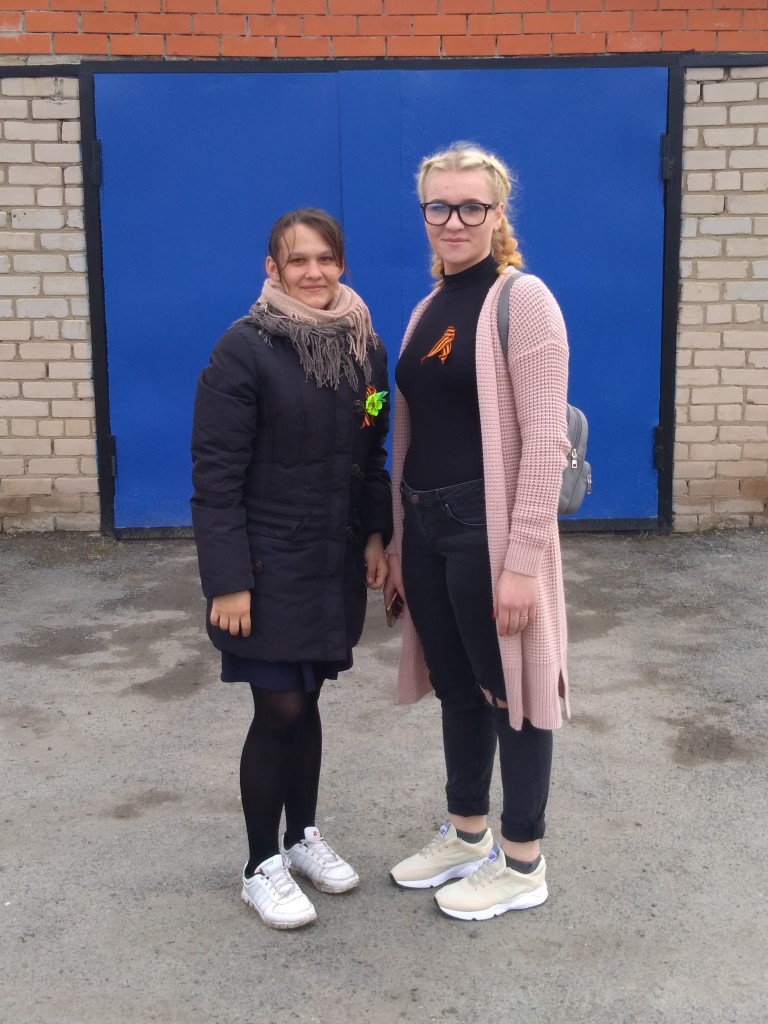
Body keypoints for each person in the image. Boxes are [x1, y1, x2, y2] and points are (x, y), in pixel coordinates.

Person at [383, 143, 570, 921]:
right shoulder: (426, 310)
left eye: (471, 207)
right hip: (426, 525)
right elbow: (404, 424)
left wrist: (523, 561)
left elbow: (545, 442)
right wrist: (400, 543)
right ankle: (467, 835)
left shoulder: (523, 301)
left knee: (512, 693)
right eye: (439, 206)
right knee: (458, 687)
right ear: (424, 213)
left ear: (497, 214)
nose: (453, 221)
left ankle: (523, 863)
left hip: (485, 529)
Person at [191, 208, 391, 930]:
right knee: (277, 708)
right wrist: (228, 581)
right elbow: (216, 475)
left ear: (341, 264)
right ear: (272, 269)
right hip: (266, 564)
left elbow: (371, 452)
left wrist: (376, 535)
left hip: (330, 561)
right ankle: (259, 865)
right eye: (297, 260)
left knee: (306, 702)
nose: (313, 272)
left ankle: (302, 834)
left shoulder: (365, 348)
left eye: (325, 258)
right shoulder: (243, 350)